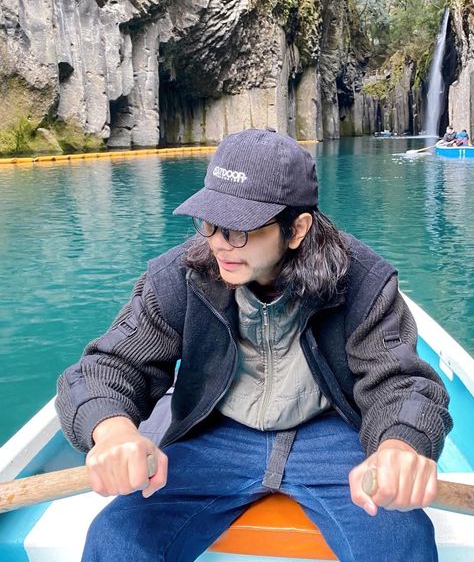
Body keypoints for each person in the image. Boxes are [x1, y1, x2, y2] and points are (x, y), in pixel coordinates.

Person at [55, 128, 453, 562]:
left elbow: (402, 384)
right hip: (216, 434)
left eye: (240, 229)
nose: (220, 243)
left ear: (297, 228)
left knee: (401, 543)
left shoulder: (363, 282)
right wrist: (113, 432)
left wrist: (399, 447)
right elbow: (107, 369)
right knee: (115, 538)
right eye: (210, 222)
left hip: (331, 438)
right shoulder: (177, 277)